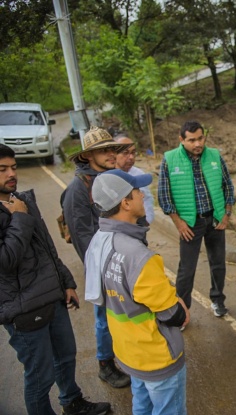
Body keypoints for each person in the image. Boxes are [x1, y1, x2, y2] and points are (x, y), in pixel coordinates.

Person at [0, 144, 111, 415]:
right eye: (3, 170)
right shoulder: (18, 210)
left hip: (52, 296)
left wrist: (66, 282)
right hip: (23, 309)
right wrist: (20, 219)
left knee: (65, 356)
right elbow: (6, 260)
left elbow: (47, 247)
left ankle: (72, 402)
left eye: (13, 167)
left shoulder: (20, 199)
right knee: (40, 376)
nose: (11, 173)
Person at [86, 169, 189, 414]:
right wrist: (180, 302)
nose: (143, 195)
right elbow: (174, 315)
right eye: (137, 192)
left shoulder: (99, 240)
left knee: (141, 404)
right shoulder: (139, 257)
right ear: (125, 203)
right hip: (155, 355)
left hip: (128, 351)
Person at [63, 126, 131, 388]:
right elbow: (84, 239)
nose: (111, 153)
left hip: (127, 260)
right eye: (104, 150)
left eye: (113, 148)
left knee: (126, 314)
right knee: (104, 317)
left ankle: (126, 355)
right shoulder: (78, 190)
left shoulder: (114, 178)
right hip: (103, 266)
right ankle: (105, 364)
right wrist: (106, 269)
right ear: (87, 156)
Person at [158, 121, 234, 318]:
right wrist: (179, 223)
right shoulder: (170, 159)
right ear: (182, 140)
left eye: (200, 138)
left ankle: (217, 300)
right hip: (190, 223)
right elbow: (164, 196)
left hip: (215, 219)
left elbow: (228, 186)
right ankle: (181, 311)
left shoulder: (214, 156)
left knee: (218, 263)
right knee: (187, 269)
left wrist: (226, 214)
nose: (197, 144)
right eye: (191, 140)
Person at [114, 134, 155, 226]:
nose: (131, 157)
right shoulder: (106, 177)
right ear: (114, 154)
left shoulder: (138, 174)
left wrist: (146, 221)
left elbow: (147, 198)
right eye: (125, 153)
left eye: (133, 152)